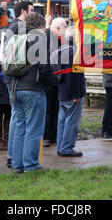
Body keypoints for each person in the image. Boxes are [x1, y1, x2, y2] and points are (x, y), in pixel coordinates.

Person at [4, 13, 53, 173]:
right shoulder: (37, 39)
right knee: (34, 128)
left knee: (20, 126)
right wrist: (54, 79)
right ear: (40, 27)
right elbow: (44, 67)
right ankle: (31, 165)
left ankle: (17, 164)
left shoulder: (17, 37)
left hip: (15, 88)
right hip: (33, 89)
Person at [5, 1, 35, 168]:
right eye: (31, 10)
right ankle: (13, 155)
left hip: (12, 78)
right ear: (23, 11)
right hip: (17, 78)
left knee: (17, 117)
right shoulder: (19, 28)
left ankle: (13, 155)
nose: (33, 13)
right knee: (18, 118)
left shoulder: (11, 28)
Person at [54, 26, 85, 157]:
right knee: (72, 122)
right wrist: (76, 94)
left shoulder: (60, 50)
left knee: (62, 120)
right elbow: (74, 75)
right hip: (72, 92)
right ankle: (66, 148)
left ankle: (61, 145)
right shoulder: (74, 52)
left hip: (62, 91)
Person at [43, 17, 66, 148]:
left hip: (59, 79)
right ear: (57, 28)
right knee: (48, 109)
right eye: (64, 27)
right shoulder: (48, 38)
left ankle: (54, 134)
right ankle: (46, 135)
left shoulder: (62, 40)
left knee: (56, 109)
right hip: (49, 79)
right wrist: (47, 24)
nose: (65, 29)